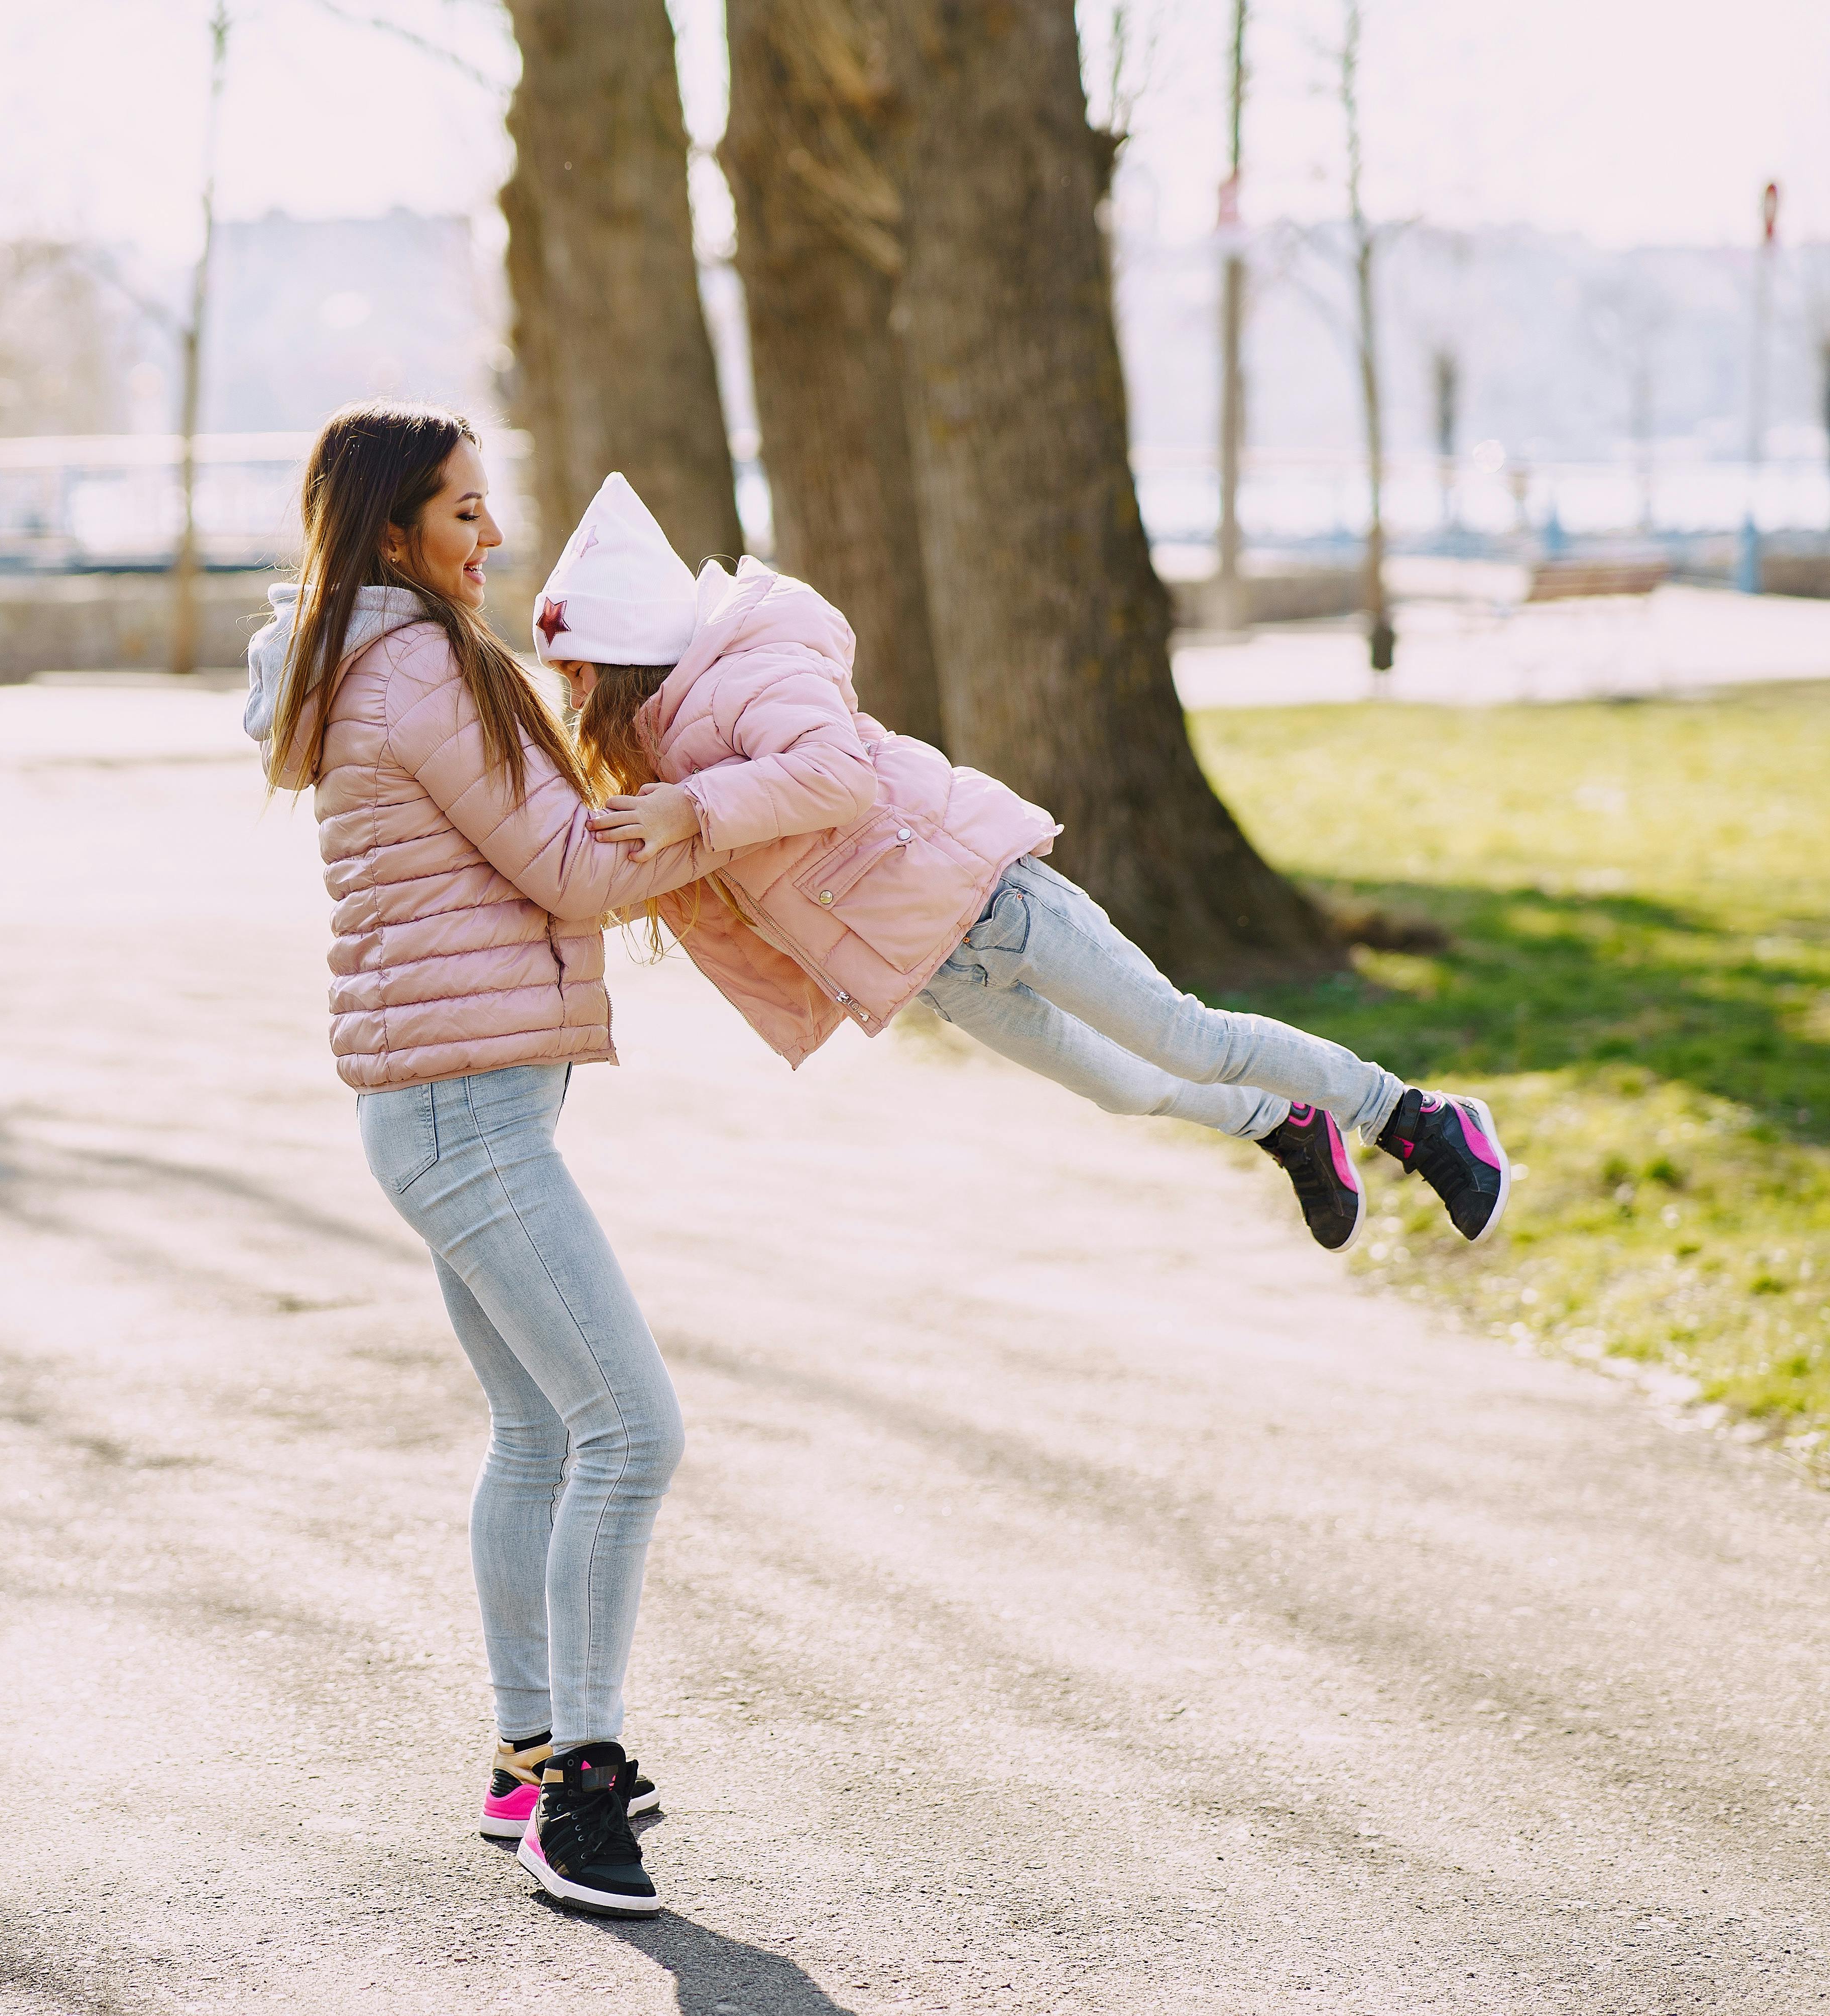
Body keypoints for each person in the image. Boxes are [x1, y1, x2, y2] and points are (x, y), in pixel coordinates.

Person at [551, 472, 1511, 1252]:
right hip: (938, 971)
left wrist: (692, 808)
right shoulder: (666, 745)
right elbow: (714, 856)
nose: (569, 691)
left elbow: (833, 777)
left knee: (1188, 1039)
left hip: (993, 900)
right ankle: (1285, 1125)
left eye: (575, 669)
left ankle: (1418, 1121)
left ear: (622, 646)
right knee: (1124, 1086)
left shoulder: (751, 670)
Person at [245, 404, 715, 1918]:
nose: (490, 535)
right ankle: (580, 1794)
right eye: (462, 512)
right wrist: (736, 810)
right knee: (631, 1431)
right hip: (464, 1114)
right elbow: (573, 864)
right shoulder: (423, 668)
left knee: (537, 1437)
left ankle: (525, 1760)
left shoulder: (371, 660)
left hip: (454, 1104)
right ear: (392, 531)